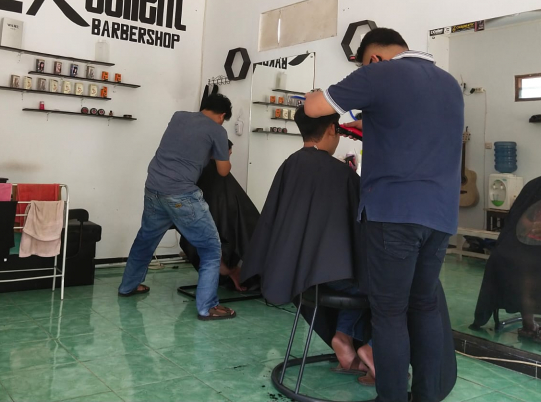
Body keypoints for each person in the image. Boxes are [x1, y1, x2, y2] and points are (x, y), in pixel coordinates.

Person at [305, 27, 464, 402]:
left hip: (394, 213)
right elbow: (409, 127)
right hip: (440, 215)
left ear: (374, 57)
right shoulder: (448, 83)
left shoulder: (380, 73)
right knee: (424, 306)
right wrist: (366, 124)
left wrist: (318, 94)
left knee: (390, 313)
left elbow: (314, 108)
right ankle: (426, 396)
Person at [241, 108, 374, 379]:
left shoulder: (289, 165)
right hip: (330, 275)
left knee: (355, 278)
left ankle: (344, 339)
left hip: (293, 274)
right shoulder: (343, 174)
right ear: (331, 130)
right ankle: (371, 348)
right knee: (381, 285)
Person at [117, 93, 237, 321]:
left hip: (154, 188)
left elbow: (186, 146)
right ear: (222, 116)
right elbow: (223, 171)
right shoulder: (217, 131)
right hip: (182, 195)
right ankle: (207, 307)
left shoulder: (179, 116)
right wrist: (224, 155)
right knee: (211, 248)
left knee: (145, 239)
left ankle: (128, 286)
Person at [472, 136, 541, 345]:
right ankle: (528, 321)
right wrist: (532, 225)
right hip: (531, 242)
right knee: (507, 257)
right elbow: (518, 216)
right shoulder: (536, 185)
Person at [179, 140, 261, 292]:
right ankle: (230, 271)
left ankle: (227, 271)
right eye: (229, 153)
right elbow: (230, 214)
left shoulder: (197, 171)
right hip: (215, 234)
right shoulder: (217, 175)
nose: (229, 156)